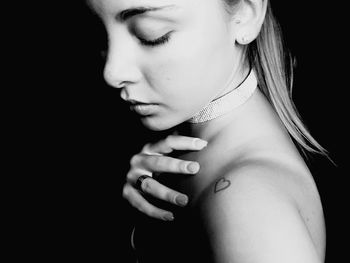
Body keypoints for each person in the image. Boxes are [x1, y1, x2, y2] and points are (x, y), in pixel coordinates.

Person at [88, 0, 327, 262]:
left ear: (246, 14)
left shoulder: (248, 203)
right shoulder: (191, 148)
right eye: (100, 32)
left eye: (151, 35)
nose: (111, 72)